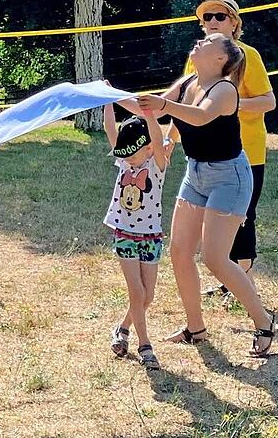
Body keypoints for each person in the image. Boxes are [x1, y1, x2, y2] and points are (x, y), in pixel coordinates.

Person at [138, 33, 277, 357]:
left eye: (210, 40)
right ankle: (196, 328)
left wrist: (163, 104)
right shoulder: (188, 81)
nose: (201, 40)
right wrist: (108, 96)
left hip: (230, 177)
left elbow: (199, 116)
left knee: (215, 258)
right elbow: (155, 110)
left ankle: (264, 322)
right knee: (180, 251)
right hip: (196, 172)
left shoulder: (226, 90)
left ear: (221, 59)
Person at [177, 0, 277, 298]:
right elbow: (181, 101)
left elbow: (268, 101)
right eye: (207, 17)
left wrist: (227, 104)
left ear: (235, 23)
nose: (212, 22)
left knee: (243, 216)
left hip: (244, 151)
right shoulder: (196, 58)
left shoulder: (247, 56)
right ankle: (229, 280)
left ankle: (241, 281)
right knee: (216, 219)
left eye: (219, 16)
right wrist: (171, 138)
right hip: (205, 153)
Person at [102, 96, 171, 370]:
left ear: (148, 148)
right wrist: (108, 101)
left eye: (132, 153)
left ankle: (122, 328)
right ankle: (145, 346)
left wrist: (151, 115)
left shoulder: (157, 166)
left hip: (151, 235)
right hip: (125, 234)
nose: (128, 159)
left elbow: (156, 135)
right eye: (124, 154)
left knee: (147, 296)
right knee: (136, 290)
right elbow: (111, 130)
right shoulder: (124, 164)